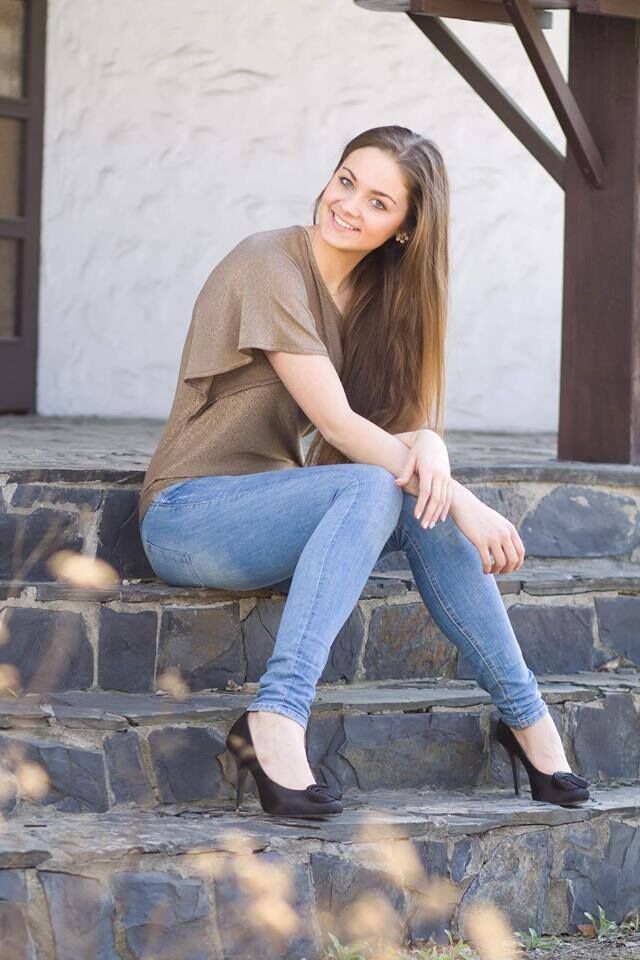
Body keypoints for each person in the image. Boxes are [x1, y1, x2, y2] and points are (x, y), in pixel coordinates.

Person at [139, 125, 590, 819]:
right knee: (394, 486)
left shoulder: (379, 302)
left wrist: (429, 445)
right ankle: (276, 715)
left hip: (274, 514)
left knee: (412, 496)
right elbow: (341, 427)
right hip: (188, 515)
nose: (348, 205)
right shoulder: (268, 263)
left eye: (378, 202)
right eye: (346, 181)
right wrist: (461, 496)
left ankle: (528, 720)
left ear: (405, 229)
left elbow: (378, 440)